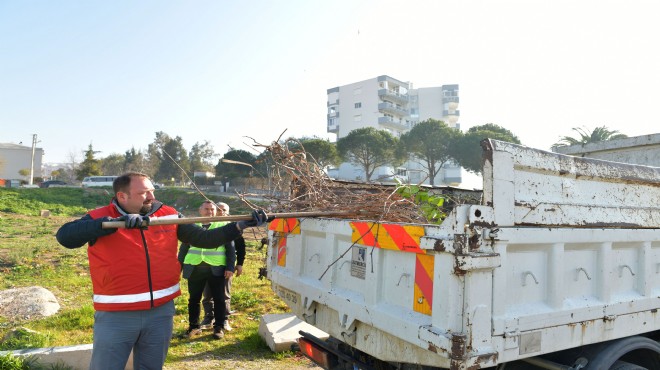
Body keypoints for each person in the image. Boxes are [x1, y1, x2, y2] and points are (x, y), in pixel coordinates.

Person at [55, 172, 267, 370]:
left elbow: (206, 239)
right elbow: (65, 237)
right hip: (116, 314)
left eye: (152, 191)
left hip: (160, 313)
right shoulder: (100, 217)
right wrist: (111, 224)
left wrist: (239, 226)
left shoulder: (168, 215)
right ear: (122, 196)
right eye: (143, 193)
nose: (151, 197)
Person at [177, 201, 244, 338]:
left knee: (219, 299)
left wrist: (230, 267)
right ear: (200, 210)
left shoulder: (222, 226)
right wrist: (178, 267)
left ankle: (219, 327)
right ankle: (194, 327)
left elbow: (230, 249)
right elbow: (183, 249)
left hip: (216, 268)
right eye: (206, 209)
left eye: (212, 209)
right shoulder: (191, 227)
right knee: (194, 299)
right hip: (194, 267)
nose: (210, 212)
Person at [198, 202, 245, 332]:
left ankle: (224, 319)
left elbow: (240, 248)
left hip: (226, 266)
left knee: (224, 294)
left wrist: (239, 264)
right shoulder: (207, 226)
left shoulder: (233, 228)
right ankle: (209, 317)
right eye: (218, 210)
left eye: (224, 210)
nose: (220, 212)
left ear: (227, 212)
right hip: (208, 266)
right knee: (207, 294)